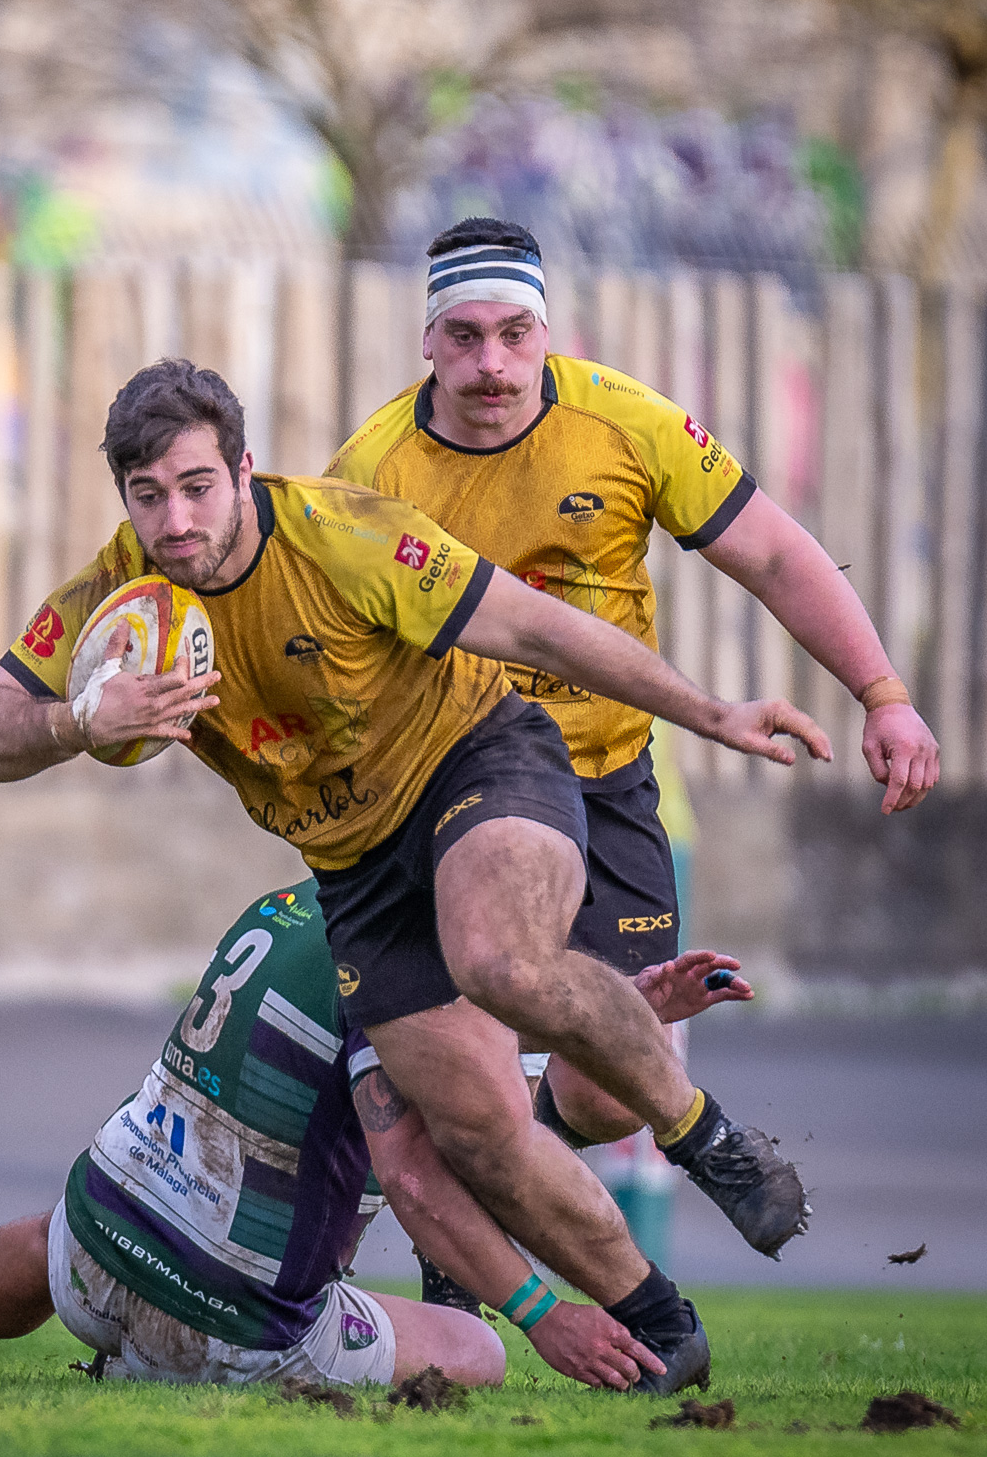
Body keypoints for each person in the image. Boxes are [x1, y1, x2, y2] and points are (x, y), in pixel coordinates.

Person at [0, 357, 826, 1370]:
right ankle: (664, 1331)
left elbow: (539, 625)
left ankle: (706, 1139)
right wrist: (76, 718)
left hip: (477, 763)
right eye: (148, 497)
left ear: (243, 470)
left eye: (195, 487)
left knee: (498, 959)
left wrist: (711, 715)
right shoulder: (125, 599)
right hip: (355, 868)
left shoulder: (341, 537)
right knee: (476, 1130)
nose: (175, 521)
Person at [326, 215, 940, 1166]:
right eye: (465, 336)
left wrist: (882, 692)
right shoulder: (370, 475)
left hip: (605, 779)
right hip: (449, 790)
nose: (491, 362)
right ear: (427, 342)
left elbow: (774, 552)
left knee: (618, 1087)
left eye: (513, 335)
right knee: (468, 1050)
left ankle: (509, 1150)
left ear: (546, 331)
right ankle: (472, 1214)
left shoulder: (625, 423)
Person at [0, 881, 726, 1396]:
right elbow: (430, 1177)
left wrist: (622, 1022)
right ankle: (158, 1369)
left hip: (90, 1250)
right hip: (240, 1325)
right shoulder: (412, 965)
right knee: (476, 1351)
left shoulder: (292, 902)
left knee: (50, 1235)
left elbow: (510, 1116)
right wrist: (543, 1318)